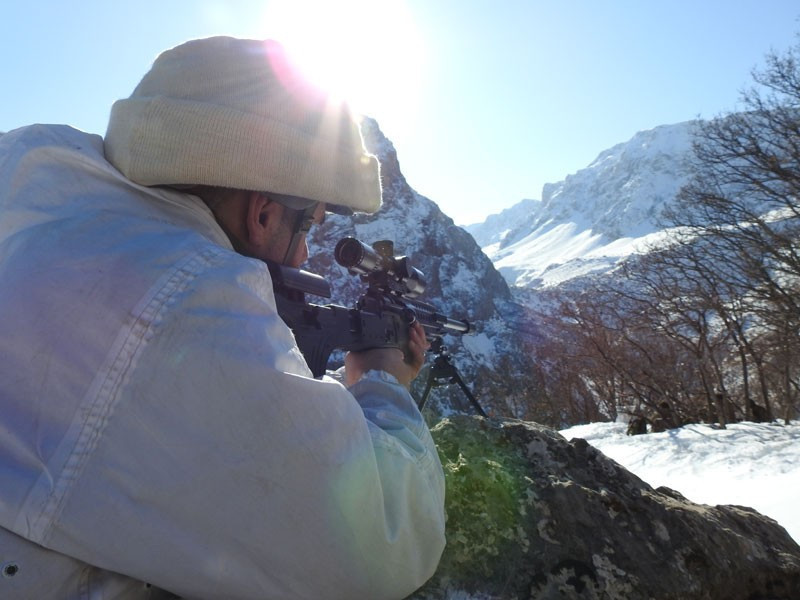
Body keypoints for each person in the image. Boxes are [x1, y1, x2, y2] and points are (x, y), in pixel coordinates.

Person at [0, 36, 446, 599]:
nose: (306, 253)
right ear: (262, 212)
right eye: (307, 226)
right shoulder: (184, 299)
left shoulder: (33, 186)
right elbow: (385, 544)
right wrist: (383, 381)